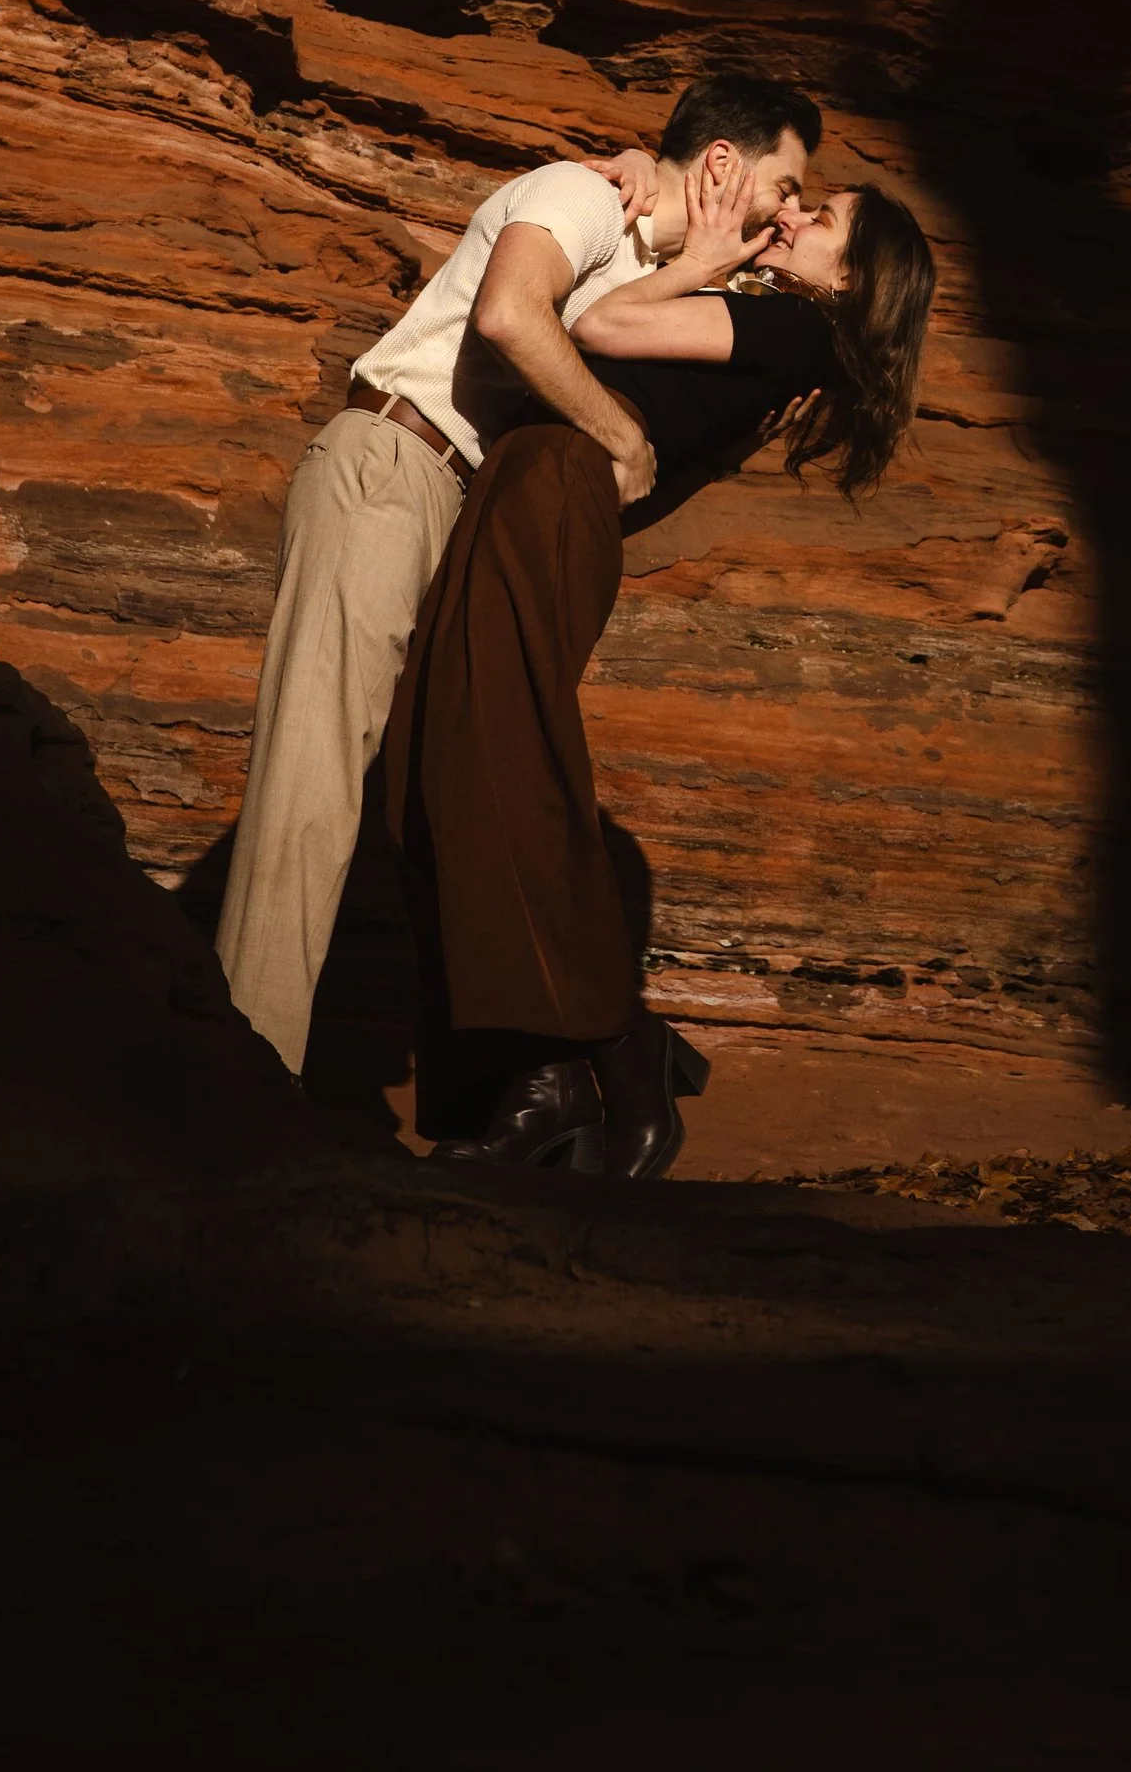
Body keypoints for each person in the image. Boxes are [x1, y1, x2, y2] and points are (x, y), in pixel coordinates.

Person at [214, 75, 822, 1073]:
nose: (789, 211)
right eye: (786, 184)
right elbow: (507, 313)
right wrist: (620, 428)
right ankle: (240, 1078)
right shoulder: (579, 197)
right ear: (722, 162)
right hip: (393, 465)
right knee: (311, 784)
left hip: (449, 506)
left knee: (412, 795)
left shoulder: (635, 252)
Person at [382, 153, 938, 1177]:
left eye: (824, 218)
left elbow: (598, 326)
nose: (797, 215)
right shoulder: (776, 327)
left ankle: (582, 1063)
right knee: (447, 756)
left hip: (552, 485)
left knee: (494, 759)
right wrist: (660, 188)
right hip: (533, 487)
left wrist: (713, 254)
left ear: (853, 281)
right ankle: (581, 1065)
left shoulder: (795, 328)